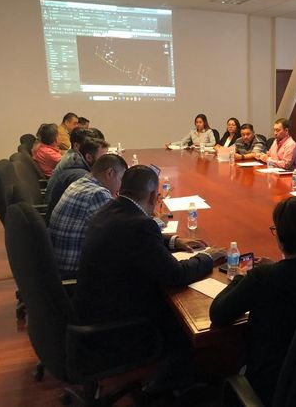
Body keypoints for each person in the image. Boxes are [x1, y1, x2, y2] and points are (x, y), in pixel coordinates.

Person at [74, 165, 226, 395]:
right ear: (154, 196)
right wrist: (207, 257)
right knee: (184, 316)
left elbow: (136, 240)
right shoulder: (139, 225)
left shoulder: (112, 209)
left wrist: (173, 241)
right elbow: (176, 274)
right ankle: (170, 384)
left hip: (92, 306)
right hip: (116, 320)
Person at [210, 197, 296, 406]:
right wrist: (274, 267)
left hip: (272, 386)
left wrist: (241, 277)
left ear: (280, 236)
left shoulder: (263, 278)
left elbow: (218, 314)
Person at [49, 154, 127, 278]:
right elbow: (120, 235)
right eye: (122, 179)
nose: (122, 186)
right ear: (110, 173)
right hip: (74, 272)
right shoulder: (98, 194)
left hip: (59, 263)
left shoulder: (80, 183)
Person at [45, 136, 110, 224]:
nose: (108, 162)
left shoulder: (75, 163)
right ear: (89, 157)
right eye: (103, 158)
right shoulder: (80, 176)